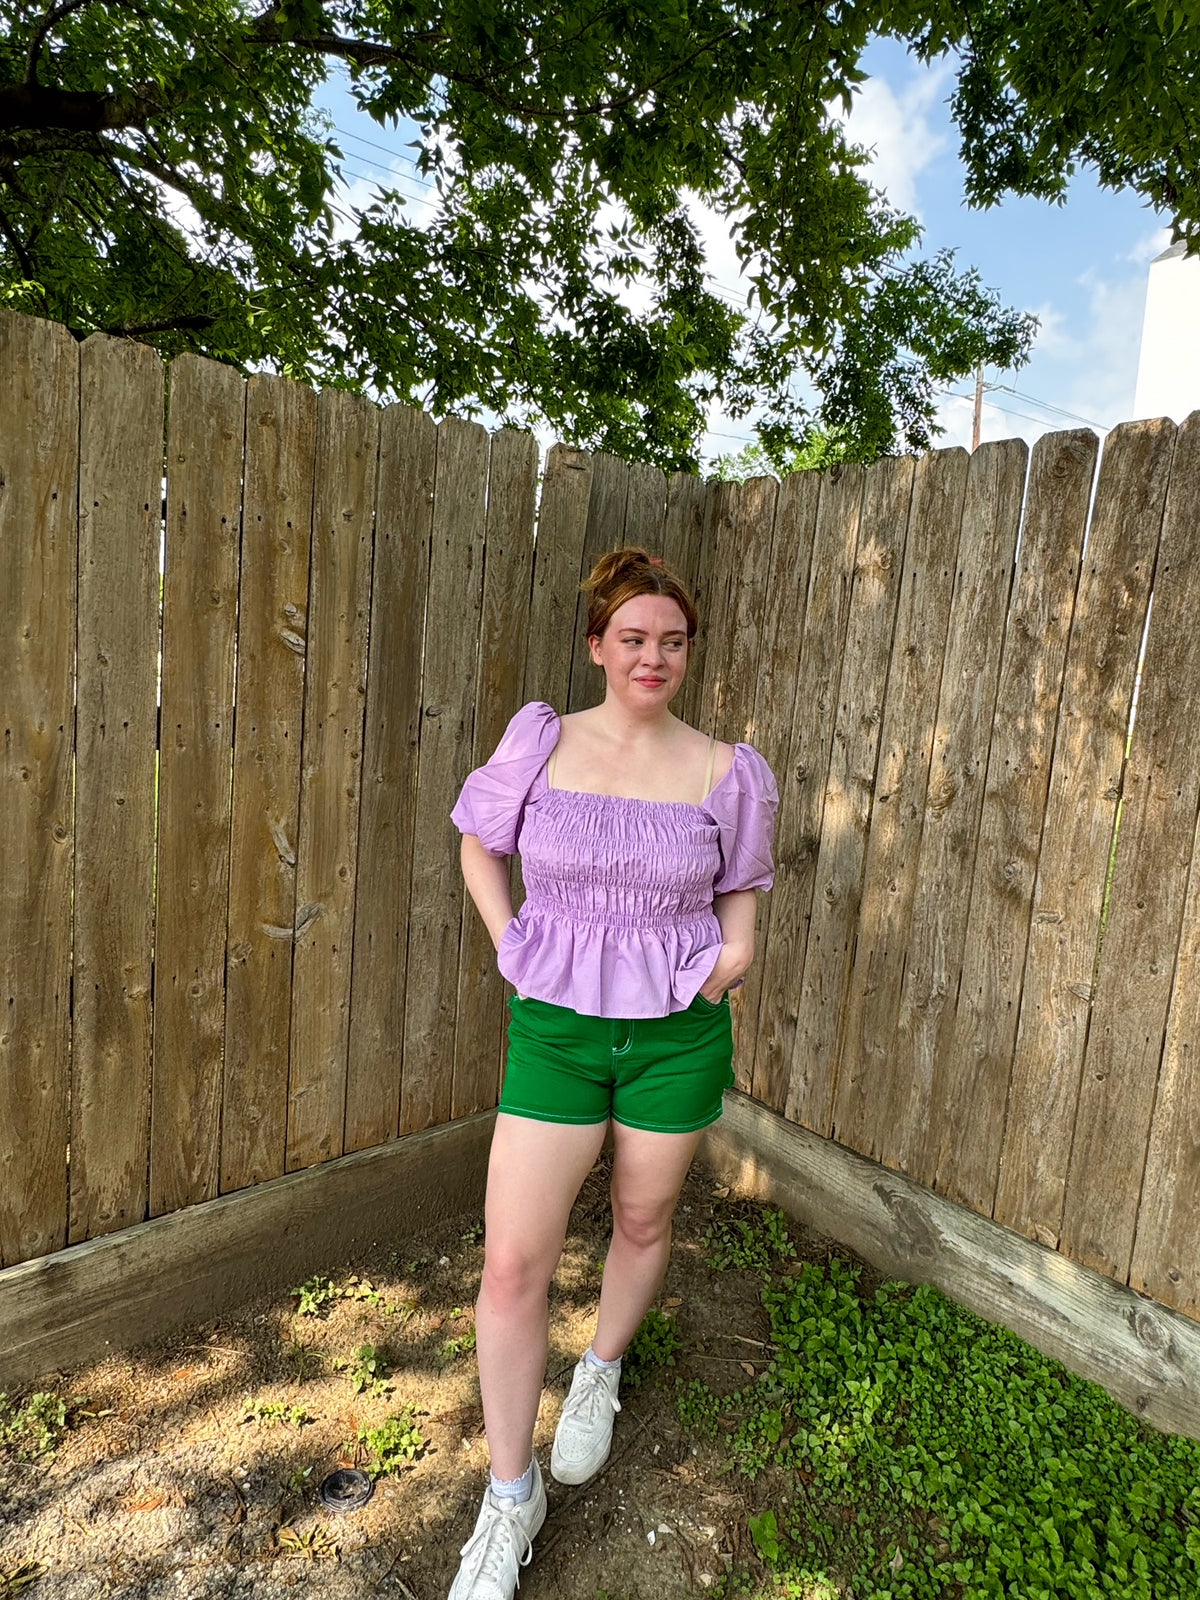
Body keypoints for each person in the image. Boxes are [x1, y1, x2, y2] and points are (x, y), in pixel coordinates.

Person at [446, 546, 778, 1600]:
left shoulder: (728, 769)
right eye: (633, 637)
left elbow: (740, 887)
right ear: (597, 644)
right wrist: (509, 940)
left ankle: (599, 1368)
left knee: (642, 1218)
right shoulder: (542, 741)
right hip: (556, 1034)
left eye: (672, 641)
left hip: (676, 1034)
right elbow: (478, 843)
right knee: (512, 1263)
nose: (653, 657)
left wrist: (736, 950)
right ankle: (510, 1495)